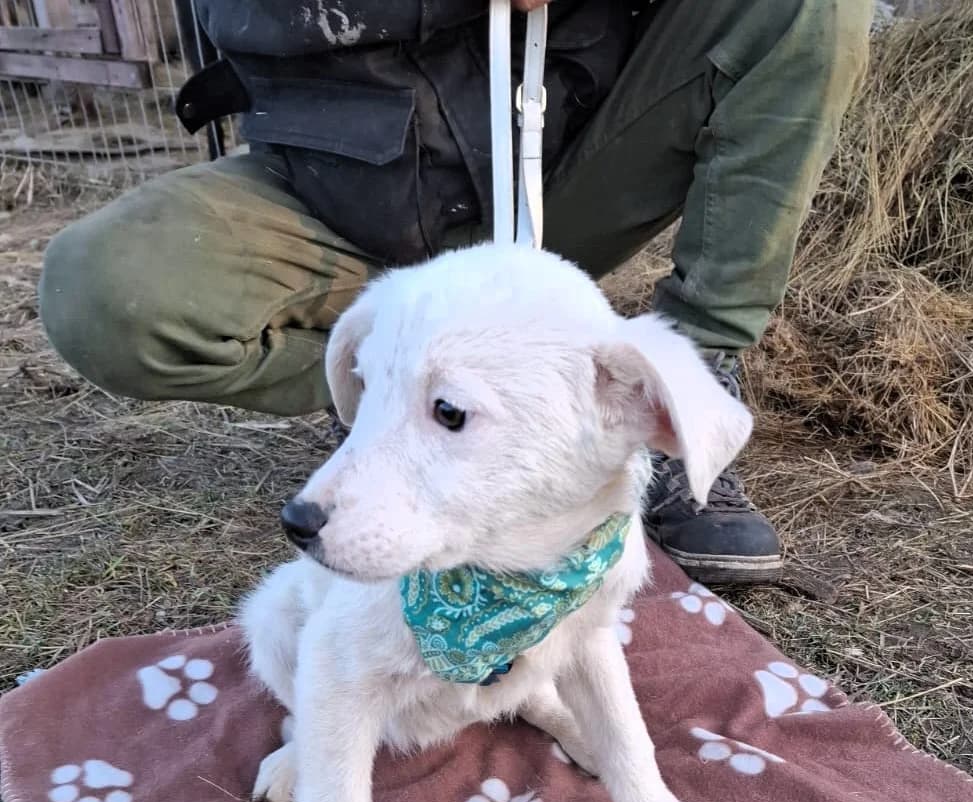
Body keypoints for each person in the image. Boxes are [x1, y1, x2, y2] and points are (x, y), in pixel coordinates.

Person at [38, 0, 872, 586]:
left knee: (803, 4)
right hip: (340, 183)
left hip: (557, 160)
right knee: (100, 291)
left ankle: (686, 380)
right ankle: (400, 390)